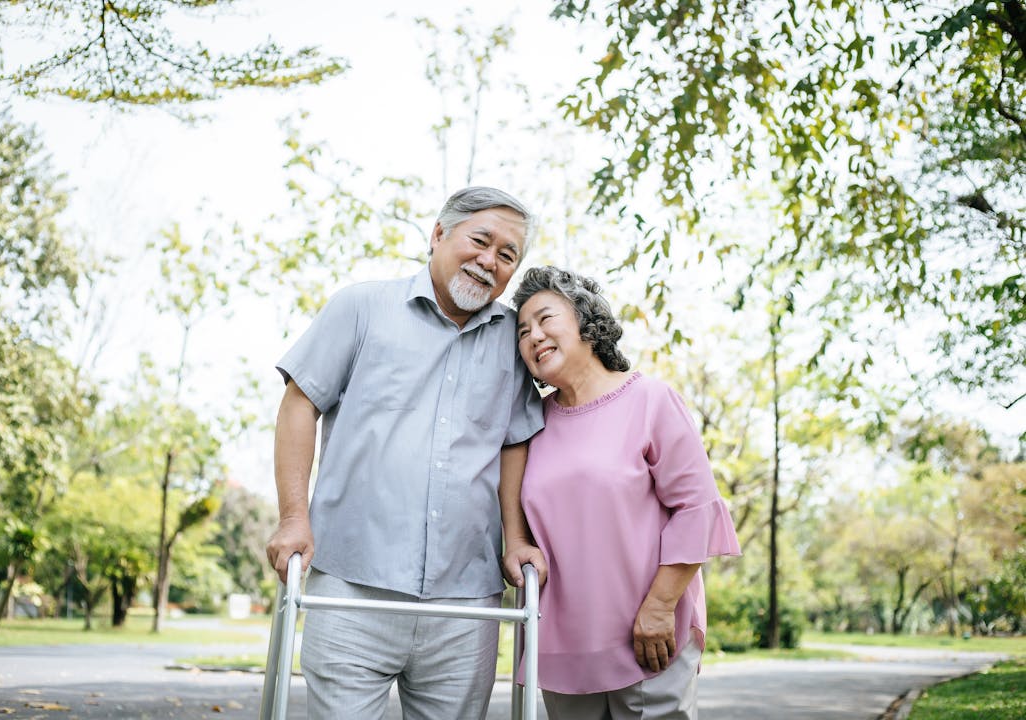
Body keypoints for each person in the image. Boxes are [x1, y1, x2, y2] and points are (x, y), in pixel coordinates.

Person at [265, 186, 547, 720]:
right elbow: (299, 404)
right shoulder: (361, 307)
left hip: (467, 600)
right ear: (439, 234)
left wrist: (516, 539)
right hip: (351, 584)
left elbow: (515, 443)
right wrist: (292, 518)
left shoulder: (515, 338)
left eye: (507, 255)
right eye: (480, 241)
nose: (489, 261)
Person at [512, 266, 741, 720]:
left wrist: (659, 608)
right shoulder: (530, 423)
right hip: (563, 643)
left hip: (647, 635)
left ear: (587, 323)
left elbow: (696, 509)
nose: (533, 336)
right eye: (522, 331)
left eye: (545, 319)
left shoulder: (650, 400)